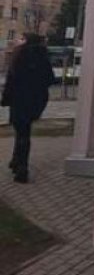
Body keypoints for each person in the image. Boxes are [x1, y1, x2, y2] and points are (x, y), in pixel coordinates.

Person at [1, 33, 55, 183]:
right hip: (36, 100)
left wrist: (5, 99)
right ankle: (16, 160)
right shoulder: (43, 57)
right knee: (24, 131)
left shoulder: (18, 56)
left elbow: (11, 79)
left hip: (19, 99)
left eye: (22, 38)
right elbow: (50, 79)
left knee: (21, 132)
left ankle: (21, 167)